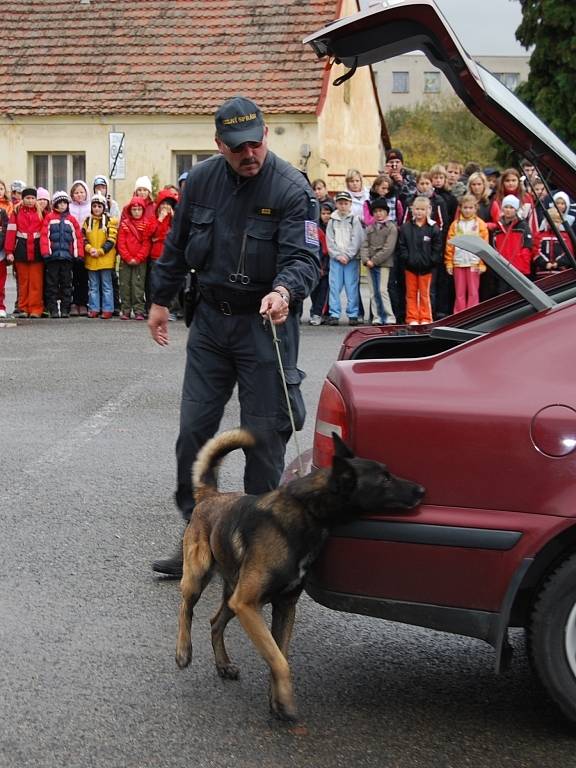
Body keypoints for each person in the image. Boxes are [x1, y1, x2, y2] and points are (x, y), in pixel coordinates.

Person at [147, 95, 319, 577]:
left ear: (266, 135)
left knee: (264, 439)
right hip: (211, 323)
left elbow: (305, 257)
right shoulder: (200, 182)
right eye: (238, 147)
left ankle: (258, 551)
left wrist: (285, 290)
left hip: (266, 324)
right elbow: (177, 245)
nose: (250, 155)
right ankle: (196, 539)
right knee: (194, 434)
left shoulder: (291, 188)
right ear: (219, 144)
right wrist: (160, 300)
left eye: (256, 144)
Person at [397, 196, 442, 325]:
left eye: (422, 209)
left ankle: (425, 318)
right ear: (412, 209)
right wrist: (407, 259)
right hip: (410, 267)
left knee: (425, 294)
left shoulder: (433, 227)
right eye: (417, 209)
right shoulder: (406, 227)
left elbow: (437, 247)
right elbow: (402, 246)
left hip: (426, 269)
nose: (419, 212)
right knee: (411, 294)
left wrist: (431, 261)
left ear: (428, 210)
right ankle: (412, 318)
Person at [40, 191, 84, 319]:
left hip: (67, 258)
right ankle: (53, 308)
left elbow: (77, 238)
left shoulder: (72, 220)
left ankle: (65, 308)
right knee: (52, 284)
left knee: (66, 284)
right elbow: (45, 236)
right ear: (55, 204)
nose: (63, 205)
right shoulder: (49, 218)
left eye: (65, 203)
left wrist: (78, 254)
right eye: (60, 203)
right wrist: (46, 253)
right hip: (53, 258)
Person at [444, 194, 489, 313]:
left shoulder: (480, 224)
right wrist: (449, 262)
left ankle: (473, 314)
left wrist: (482, 263)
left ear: (476, 208)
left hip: (474, 263)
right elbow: (450, 244)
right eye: (465, 207)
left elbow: (484, 246)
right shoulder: (455, 224)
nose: (468, 210)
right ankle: (459, 315)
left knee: (473, 292)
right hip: (458, 262)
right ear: (460, 208)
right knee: (459, 292)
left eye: (470, 208)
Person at [4, 187, 45, 318]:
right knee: (23, 281)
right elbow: (11, 232)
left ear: (36, 199)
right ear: (23, 199)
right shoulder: (16, 212)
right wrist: (9, 251)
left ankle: (35, 309)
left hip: (37, 250)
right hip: (21, 249)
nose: (30, 200)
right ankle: (23, 308)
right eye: (27, 198)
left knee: (36, 282)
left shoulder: (41, 213)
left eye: (33, 198)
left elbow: (45, 233)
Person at [325, 189, 364, 326]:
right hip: (336, 260)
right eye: (340, 203)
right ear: (336, 204)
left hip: (351, 260)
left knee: (351, 286)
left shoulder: (354, 220)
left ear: (350, 204)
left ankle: (353, 313)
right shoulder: (332, 221)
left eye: (345, 203)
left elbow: (357, 239)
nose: (343, 206)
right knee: (334, 287)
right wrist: (337, 255)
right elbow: (330, 240)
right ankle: (334, 313)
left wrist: (348, 255)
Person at [360, 197, 397, 325]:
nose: (378, 214)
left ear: (386, 212)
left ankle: (389, 316)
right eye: (375, 212)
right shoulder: (370, 228)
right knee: (373, 291)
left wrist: (374, 261)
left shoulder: (391, 227)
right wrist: (366, 260)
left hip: (383, 264)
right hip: (370, 263)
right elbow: (364, 245)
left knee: (382, 290)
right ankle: (377, 317)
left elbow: (388, 248)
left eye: (381, 211)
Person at [82, 192, 119, 319]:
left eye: (99, 206)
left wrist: (101, 251)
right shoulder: (87, 221)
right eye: (94, 206)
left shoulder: (110, 222)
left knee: (106, 286)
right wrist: (89, 248)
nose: (96, 209)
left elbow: (112, 240)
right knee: (93, 286)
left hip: (105, 260)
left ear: (104, 208)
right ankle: (94, 308)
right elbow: (83, 237)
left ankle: (108, 308)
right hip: (91, 259)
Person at [492, 194, 534, 293]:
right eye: (506, 207)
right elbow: (494, 246)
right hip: (502, 269)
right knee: (502, 294)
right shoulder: (498, 227)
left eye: (511, 207)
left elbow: (527, 246)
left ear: (516, 209)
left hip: (518, 269)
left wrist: (523, 263)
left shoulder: (522, 226)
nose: (508, 210)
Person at [117, 196, 150, 320]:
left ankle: (138, 310)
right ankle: (125, 309)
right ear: (130, 210)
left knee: (138, 285)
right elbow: (121, 242)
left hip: (140, 261)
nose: (136, 212)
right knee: (125, 285)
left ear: (143, 210)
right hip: (126, 260)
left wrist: (138, 258)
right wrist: (127, 257)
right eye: (134, 209)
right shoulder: (125, 224)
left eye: (139, 209)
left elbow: (146, 243)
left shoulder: (146, 224)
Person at [308, 197, 334, 325]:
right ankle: (315, 311)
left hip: (329, 264)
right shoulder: (315, 228)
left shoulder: (334, 226)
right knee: (314, 290)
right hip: (317, 263)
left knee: (324, 291)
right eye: (323, 213)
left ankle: (318, 313)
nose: (326, 216)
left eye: (328, 213)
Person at [68, 180, 91, 316]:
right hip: (72, 246)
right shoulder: (69, 207)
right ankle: (73, 303)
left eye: (82, 192)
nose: (79, 195)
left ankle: (83, 303)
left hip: (86, 245)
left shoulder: (90, 207)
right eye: (76, 193)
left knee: (83, 276)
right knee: (72, 277)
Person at [534, 207, 574, 275]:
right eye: (551, 221)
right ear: (546, 221)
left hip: (561, 273)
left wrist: (558, 263)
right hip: (542, 272)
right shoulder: (540, 235)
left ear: (561, 221)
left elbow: (568, 252)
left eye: (557, 221)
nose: (554, 224)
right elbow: (536, 252)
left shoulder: (565, 236)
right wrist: (545, 263)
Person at [0, 204, 8, 318]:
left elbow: (7, 230)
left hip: (0, 253)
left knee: (0, 282)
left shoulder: (2, 212)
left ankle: (0, 306)